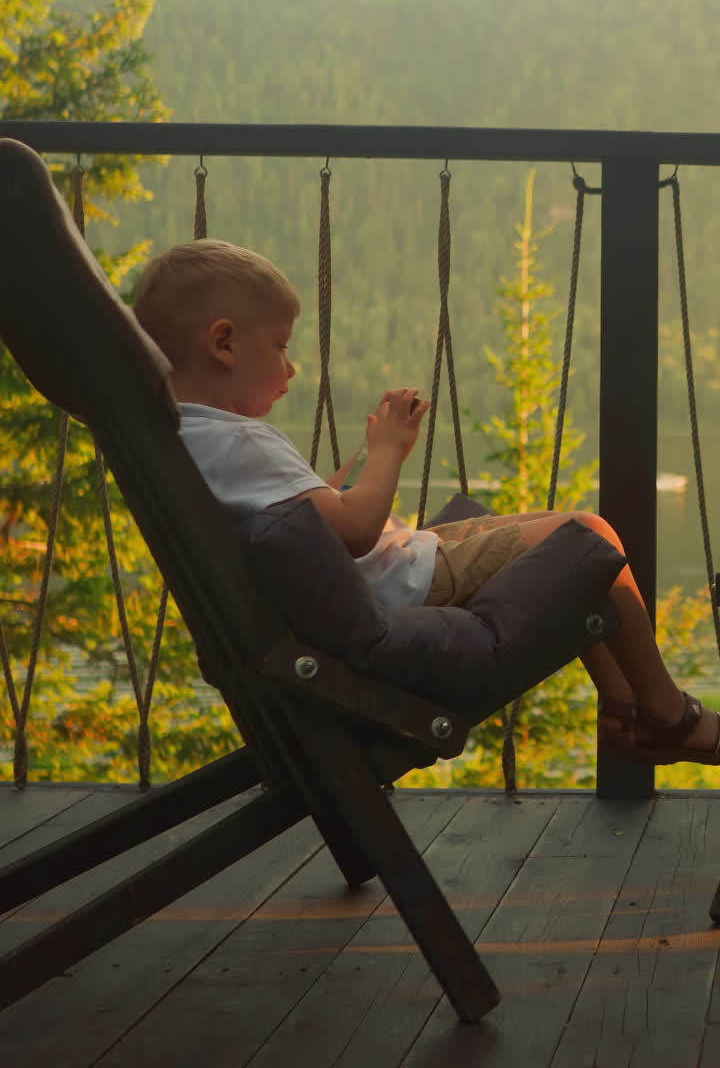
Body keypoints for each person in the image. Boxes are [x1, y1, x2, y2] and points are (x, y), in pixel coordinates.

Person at [133, 237, 720, 768]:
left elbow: (311, 523)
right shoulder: (239, 440)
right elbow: (357, 530)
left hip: (387, 572)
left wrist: (360, 463)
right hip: (401, 585)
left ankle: (624, 707)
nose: (291, 367)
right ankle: (666, 715)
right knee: (590, 536)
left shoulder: (189, 439)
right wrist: (388, 451)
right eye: (281, 347)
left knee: (562, 541)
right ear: (224, 342)